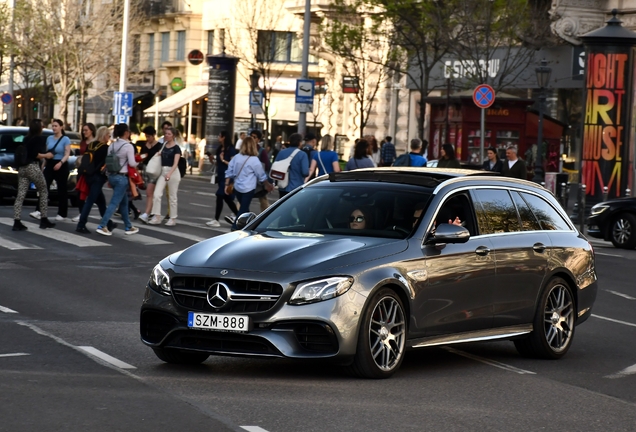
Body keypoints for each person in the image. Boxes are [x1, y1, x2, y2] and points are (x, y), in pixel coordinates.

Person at [95, 123, 139, 236]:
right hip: (122, 178)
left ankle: (128, 227)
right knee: (114, 203)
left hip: (112, 176)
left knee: (124, 203)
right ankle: (102, 225)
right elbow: (132, 163)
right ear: (126, 133)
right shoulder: (128, 146)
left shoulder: (112, 146)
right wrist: (140, 160)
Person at [13, 119, 56, 231]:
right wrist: (47, 155)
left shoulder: (26, 138)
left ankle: (16, 221)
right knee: (43, 191)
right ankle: (44, 219)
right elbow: (36, 155)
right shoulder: (39, 139)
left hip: (22, 168)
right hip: (32, 167)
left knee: (20, 194)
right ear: (39, 128)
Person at [224, 136, 274, 229]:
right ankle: (235, 227)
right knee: (243, 208)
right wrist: (268, 185)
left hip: (237, 187)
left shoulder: (236, 157)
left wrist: (226, 185)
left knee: (244, 208)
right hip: (249, 188)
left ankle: (247, 226)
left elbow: (229, 171)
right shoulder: (254, 160)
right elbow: (261, 175)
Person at [75, 126, 117, 234]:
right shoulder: (105, 148)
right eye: (108, 135)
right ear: (104, 135)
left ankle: (108, 223)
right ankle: (81, 224)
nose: (109, 137)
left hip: (88, 175)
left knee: (101, 202)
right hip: (98, 177)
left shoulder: (91, 145)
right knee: (89, 201)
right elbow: (106, 164)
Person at [30, 119, 72, 221]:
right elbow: (47, 152)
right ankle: (39, 210)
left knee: (62, 189)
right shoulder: (49, 138)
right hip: (50, 163)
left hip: (61, 164)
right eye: (52, 126)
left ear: (61, 127)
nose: (54, 128)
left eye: (56, 126)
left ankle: (62, 214)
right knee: (44, 187)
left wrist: (61, 163)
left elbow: (67, 153)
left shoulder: (65, 139)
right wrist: (43, 165)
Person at [148, 126, 182, 226]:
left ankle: (172, 218)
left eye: (169, 134)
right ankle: (157, 216)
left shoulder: (176, 148)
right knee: (157, 194)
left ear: (173, 136)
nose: (166, 135)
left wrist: (169, 174)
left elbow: (176, 163)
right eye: (166, 133)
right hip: (163, 171)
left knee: (172, 196)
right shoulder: (163, 145)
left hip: (173, 172)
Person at [206, 131, 239, 227]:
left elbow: (233, 164)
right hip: (220, 176)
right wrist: (213, 160)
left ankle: (216, 220)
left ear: (224, 137)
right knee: (228, 199)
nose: (218, 137)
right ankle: (239, 216)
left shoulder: (230, 149)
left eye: (219, 136)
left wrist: (223, 160)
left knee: (220, 196)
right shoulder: (220, 148)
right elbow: (219, 163)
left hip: (228, 177)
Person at [71, 122, 98, 222]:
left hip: (91, 170)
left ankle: (104, 216)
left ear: (92, 131)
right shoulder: (83, 142)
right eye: (83, 130)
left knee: (95, 195)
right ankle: (81, 213)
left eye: (86, 130)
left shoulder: (96, 142)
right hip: (82, 169)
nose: (84, 132)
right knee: (80, 192)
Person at [273, 133, 309, 198]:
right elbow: (305, 172)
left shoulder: (281, 152)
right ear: (299, 142)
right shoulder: (302, 155)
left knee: (283, 206)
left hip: (282, 186)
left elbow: (274, 167)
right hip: (296, 187)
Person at [138, 126, 162, 224]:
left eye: (149, 136)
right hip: (145, 170)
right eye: (146, 136)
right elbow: (140, 157)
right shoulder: (145, 145)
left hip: (155, 171)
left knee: (149, 192)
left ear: (153, 135)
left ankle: (146, 213)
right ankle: (152, 213)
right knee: (150, 193)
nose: (147, 139)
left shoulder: (159, 146)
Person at [250, 129, 272, 212]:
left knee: (263, 199)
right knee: (243, 199)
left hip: (258, 180)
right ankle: (238, 215)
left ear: (258, 140)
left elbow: (266, 165)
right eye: (251, 136)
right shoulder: (246, 149)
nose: (252, 138)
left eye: (254, 137)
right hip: (248, 179)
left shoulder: (261, 151)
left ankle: (266, 217)